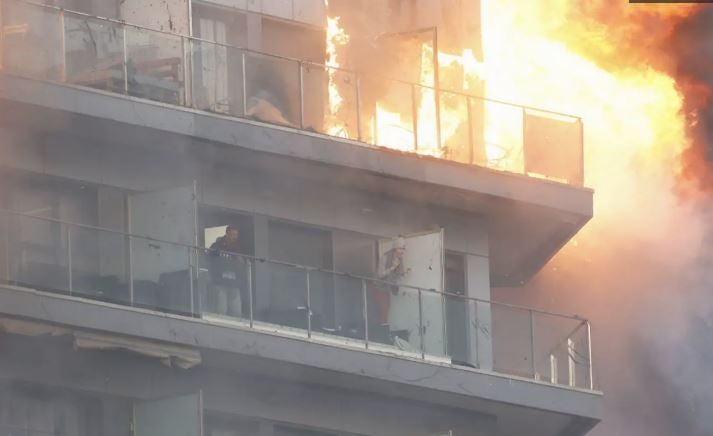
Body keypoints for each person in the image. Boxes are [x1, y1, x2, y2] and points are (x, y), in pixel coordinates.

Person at [208, 226, 246, 317]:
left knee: (237, 312)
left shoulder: (238, 248)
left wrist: (241, 262)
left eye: (236, 235)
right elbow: (208, 260)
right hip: (220, 282)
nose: (234, 237)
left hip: (234, 284)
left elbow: (243, 264)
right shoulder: (216, 246)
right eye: (232, 234)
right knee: (221, 311)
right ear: (227, 234)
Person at [373, 236, 409, 325]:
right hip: (378, 287)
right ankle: (381, 329)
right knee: (383, 309)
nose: (402, 251)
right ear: (395, 248)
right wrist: (392, 268)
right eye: (400, 248)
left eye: (403, 249)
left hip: (387, 289)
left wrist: (403, 274)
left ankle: (383, 327)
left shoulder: (400, 260)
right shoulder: (385, 257)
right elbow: (380, 274)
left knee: (386, 309)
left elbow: (399, 275)